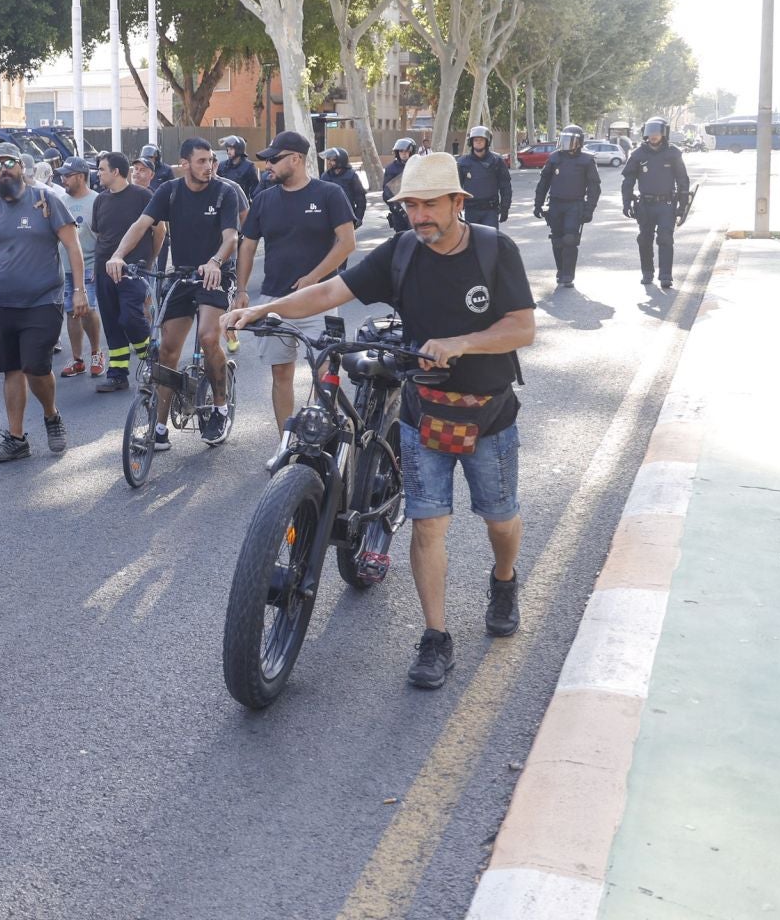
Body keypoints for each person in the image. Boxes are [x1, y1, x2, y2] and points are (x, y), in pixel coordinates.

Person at [222, 151, 536, 690]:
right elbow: (331, 291)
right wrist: (267, 309)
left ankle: (504, 580)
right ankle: (436, 638)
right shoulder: (402, 252)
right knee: (429, 523)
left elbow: (522, 327)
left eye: (430, 204)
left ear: (458, 203)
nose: (419, 216)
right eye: (410, 206)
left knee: (500, 519)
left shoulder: (494, 249)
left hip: (487, 413)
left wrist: (461, 344)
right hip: (424, 412)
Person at [107, 138, 243, 446]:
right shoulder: (169, 192)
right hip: (182, 275)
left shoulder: (225, 192)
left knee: (209, 337)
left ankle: (220, 408)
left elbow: (231, 238)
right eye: (201, 161)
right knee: (167, 350)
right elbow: (141, 225)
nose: (209, 166)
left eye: (211, 161)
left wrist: (215, 262)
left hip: (215, 274)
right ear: (184, 164)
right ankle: (159, 428)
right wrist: (117, 255)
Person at [235, 132, 358, 432]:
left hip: (321, 300)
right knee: (281, 374)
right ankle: (285, 445)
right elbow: (248, 246)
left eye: (274, 160)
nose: (268, 166)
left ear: (296, 159)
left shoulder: (329, 193)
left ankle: (318, 439)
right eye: (266, 161)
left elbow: (347, 243)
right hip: (274, 303)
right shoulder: (263, 199)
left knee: (324, 373)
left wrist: (313, 278)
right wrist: (240, 291)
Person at [0, 141, 85, 463]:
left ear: (21, 166)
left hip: (42, 300)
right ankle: (17, 439)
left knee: (36, 367)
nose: (3, 169)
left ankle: (51, 415)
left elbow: (73, 247)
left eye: (8, 162)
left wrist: (79, 291)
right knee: (11, 370)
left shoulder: (45, 201)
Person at [90, 152, 156, 395]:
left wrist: (149, 261)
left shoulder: (143, 196)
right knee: (111, 321)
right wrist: (99, 266)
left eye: (102, 169)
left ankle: (151, 358)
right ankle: (118, 375)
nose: (98, 173)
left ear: (116, 171)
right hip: (104, 268)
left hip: (134, 269)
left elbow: (158, 231)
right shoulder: (100, 200)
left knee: (130, 317)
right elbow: (100, 235)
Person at [622, 116, 692, 290]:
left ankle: (666, 276)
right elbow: (628, 180)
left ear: (664, 133)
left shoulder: (673, 153)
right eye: (650, 132)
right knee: (644, 240)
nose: (653, 136)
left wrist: (682, 206)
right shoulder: (638, 154)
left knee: (665, 239)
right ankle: (647, 272)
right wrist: (626, 202)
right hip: (645, 204)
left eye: (657, 132)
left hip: (666, 204)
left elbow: (683, 181)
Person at [532, 126, 600, 289]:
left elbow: (594, 188)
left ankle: (568, 275)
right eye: (565, 140)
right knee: (557, 240)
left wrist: (589, 209)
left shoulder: (587, 160)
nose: (567, 144)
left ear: (580, 142)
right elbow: (543, 183)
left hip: (575, 205)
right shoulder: (554, 158)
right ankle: (561, 270)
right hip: (555, 204)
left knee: (570, 240)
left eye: (572, 140)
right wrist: (538, 204)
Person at [56, 159, 105, 380]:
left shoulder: (97, 201)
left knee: (88, 309)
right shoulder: (60, 201)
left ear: (81, 176)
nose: (62, 179)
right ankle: (77, 360)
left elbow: (104, 238)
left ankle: (96, 353)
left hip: (90, 266)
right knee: (71, 312)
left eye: (67, 175)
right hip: (65, 268)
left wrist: (100, 265)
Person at [456, 127, 512, 228]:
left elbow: (505, 186)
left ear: (487, 142)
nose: (478, 142)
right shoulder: (463, 162)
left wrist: (505, 207)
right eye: (475, 140)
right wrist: (455, 208)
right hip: (471, 210)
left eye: (481, 140)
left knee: (490, 241)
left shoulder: (497, 161)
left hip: (490, 211)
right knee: (472, 241)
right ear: (471, 142)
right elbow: (456, 187)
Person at [320, 148, 368, 226]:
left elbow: (360, 199)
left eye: (332, 160)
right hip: (328, 217)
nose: (329, 162)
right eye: (328, 160)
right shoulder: (325, 176)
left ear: (340, 161)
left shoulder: (351, 176)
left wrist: (358, 218)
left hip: (346, 217)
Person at [382, 137, 418, 232]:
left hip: (416, 208)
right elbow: (386, 192)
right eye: (401, 151)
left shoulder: (418, 166)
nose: (404, 153)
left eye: (406, 151)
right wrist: (395, 206)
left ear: (411, 152)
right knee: (400, 239)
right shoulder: (391, 168)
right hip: (398, 211)